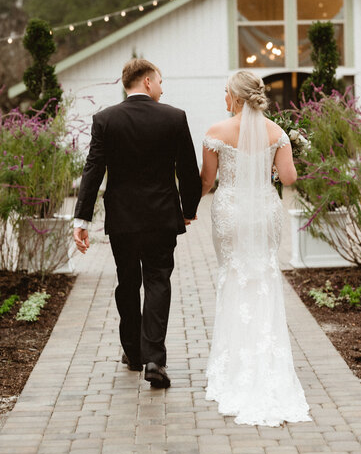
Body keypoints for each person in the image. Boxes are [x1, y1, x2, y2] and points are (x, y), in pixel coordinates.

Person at [73, 58, 202, 388]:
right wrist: (189, 208)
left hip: (123, 219)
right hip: (161, 217)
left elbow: (93, 171)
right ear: (147, 82)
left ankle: (132, 351)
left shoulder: (105, 120)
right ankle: (154, 360)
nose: (162, 87)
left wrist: (81, 219)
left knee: (127, 282)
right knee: (158, 281)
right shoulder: (174, 117)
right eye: (160, 80)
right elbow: (188, 169)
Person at [201, 69, 311, 426]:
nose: (223, 98)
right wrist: (274, 169)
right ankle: (266, 360)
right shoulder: (277, 133)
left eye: (225, 92)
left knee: (233, 275)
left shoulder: (216, 132)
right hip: (264, 210)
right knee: (263, 276)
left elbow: (206, 180)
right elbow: (290, 178)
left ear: (234, 96)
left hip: (230, 211)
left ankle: (233, 366)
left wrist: (185, 209)